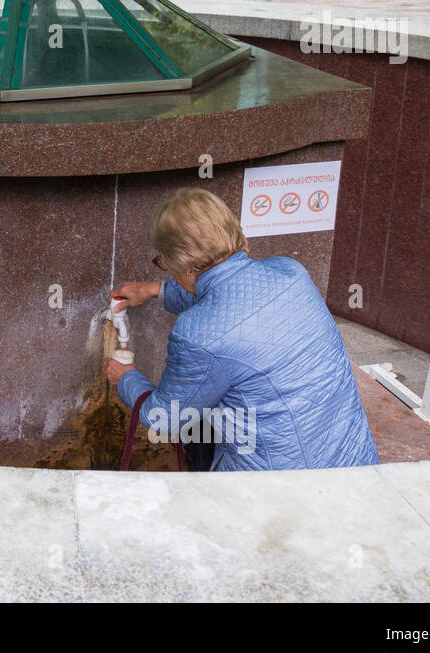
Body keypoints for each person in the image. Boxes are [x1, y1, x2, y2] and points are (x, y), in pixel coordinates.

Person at [107, 188, 379, 471]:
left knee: (198, 433)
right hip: (351, 459)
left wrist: (127, 378)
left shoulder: (196, 335)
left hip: (278, 484)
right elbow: (229, 294)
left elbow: (166, 417)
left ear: (182, 263)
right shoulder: (290, 273)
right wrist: (156, 291)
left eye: (164, 262)